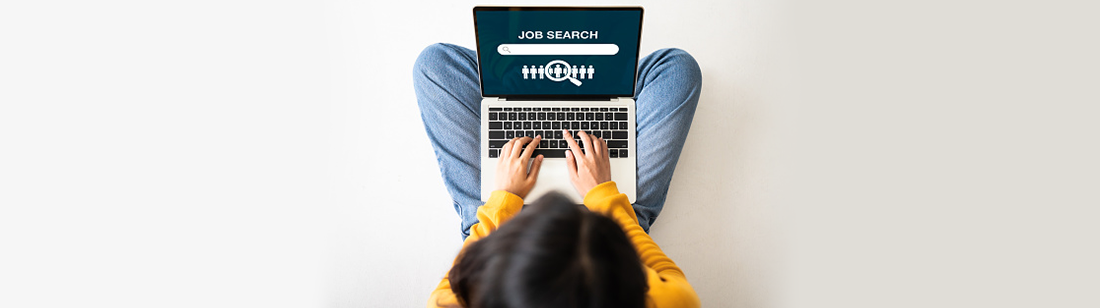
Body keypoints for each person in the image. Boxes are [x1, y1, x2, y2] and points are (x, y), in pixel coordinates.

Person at [414, 43, 702, 308]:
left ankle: (539, 79)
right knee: (677, 68)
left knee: (433, 64)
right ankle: (568, 78)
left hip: (501, 239)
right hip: (612, 232)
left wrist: (502, 200)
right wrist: (604, 196)